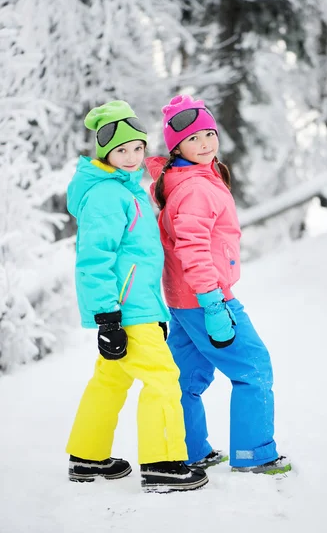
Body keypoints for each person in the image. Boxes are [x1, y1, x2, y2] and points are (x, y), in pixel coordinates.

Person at [65, 100, 208, 493]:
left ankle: (87, 456)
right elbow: (93, 260)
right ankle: (163, 464)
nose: (131, 157)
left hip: (138, 305)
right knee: (163, 379)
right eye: (121, 150)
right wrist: (107, 316)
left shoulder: (130, 190)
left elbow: (138, 255)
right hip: (126, 309)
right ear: (105, 153)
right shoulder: (107, 196)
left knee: (110, 380)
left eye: (137, 148)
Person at [145, 95, 291, 475]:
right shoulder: (195, 188)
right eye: (194, 139)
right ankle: (253, 454)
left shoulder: (188, 179)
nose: (206, 143)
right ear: (177, 146)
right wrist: (213, 304)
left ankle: (189, 448)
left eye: (210, 133)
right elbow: (192, 249)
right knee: (253, 368)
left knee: (186, 379)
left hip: (182, 300)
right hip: (205, 299)